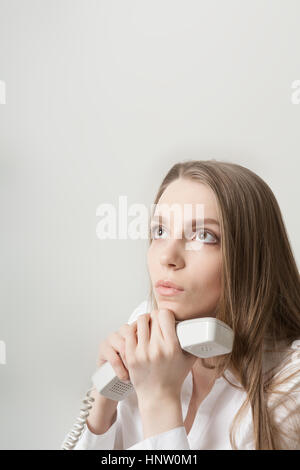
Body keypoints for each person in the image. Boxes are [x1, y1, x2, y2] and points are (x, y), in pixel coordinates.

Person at [69, 159, 300, 450]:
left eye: (204, 236)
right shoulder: (148, 329)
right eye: (160, 232)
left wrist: (158, 398)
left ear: (250, 259)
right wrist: (103, 406)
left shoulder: (291, 385)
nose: (168, 257)